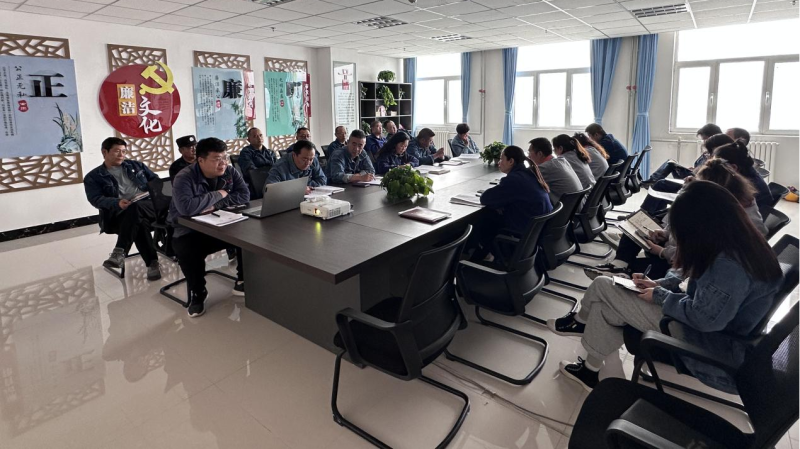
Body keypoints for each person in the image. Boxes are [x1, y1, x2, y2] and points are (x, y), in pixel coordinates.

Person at [548, 180, 783, 393]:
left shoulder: (729, 264)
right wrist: (658, 284)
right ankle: (589, 371)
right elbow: (702, 289)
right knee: (607, 306)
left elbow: (705, 319)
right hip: (709, 333)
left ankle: (580, 322)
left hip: (708, 345)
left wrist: (660, 295)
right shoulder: (738, 241)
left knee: (603, 285)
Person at [587, 158, 769, 281]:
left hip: (680, 266)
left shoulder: (726, 219)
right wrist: (665, 234)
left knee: (632, 269)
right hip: (678, 254)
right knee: (637, 223)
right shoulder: (728, 204)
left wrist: (661, 251)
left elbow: (695, 256)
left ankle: (621, 268)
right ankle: (619, 266)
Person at [169, 138, 250, 317]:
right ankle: (198, 292)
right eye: (217, 159)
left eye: (225, 157)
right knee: (186, 249)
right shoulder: (184, 177)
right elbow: (186, 208)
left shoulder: (229, 171)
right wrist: (219, 193)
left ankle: (243, 279)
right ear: (201, 160)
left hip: (221, 223)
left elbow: (244, 195)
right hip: (190, 229)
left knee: (248, 235)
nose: (223, 163)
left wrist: (215, 204)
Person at [84, 137, 161, 281]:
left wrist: (152, 191)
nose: (121, 155)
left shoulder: (137, 166)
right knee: (139, 223)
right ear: (104, 152)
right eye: (117, 151)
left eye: (124, 151)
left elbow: (156, 182)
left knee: (136, 208)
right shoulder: (93, 177)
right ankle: (152, 263)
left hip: (149, 207)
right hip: (120, 214)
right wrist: (117, 202)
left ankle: (119, 252)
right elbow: (96, 199)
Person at [473, 145, 553, 261]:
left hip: (522, 234)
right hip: (536, 234)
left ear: (511, 161)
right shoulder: (530, 173)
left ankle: (478, 254)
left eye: (501, 159)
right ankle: (482, 253)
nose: (499, 162)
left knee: (483, 218)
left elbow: (485, 198)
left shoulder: (514, 179)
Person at [638, 133, 735, 217]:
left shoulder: (724, 164)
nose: (708, 154)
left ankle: (644, 215)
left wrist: (695, 180)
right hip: (697, 182)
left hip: (699, 192)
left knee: (662, 184)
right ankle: (649, 216)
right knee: (664, 180)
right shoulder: (721, 159)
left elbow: (711, 183)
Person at [644, 123, 724, 185]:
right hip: (693, 174)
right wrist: (694, 168)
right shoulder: (709, 152)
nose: (704, 142)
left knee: (670, 164)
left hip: (695, 179)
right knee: (671, 162)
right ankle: (652, 180)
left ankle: (652, 181)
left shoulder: (718, 154)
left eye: (705, 139)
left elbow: (708, 172)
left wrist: (696, 170)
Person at [714, 139, 773, 218]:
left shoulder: (746, 186)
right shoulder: (748, 173)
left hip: (745, 221)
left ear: (733, 167)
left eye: (717, 164)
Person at [528, 137, 582, 204]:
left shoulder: (544, 168)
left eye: (529, 152)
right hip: (576, 206)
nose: (528, 156)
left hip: (567, 208)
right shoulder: (561, 161)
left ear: (539, 154)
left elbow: (525, 182)